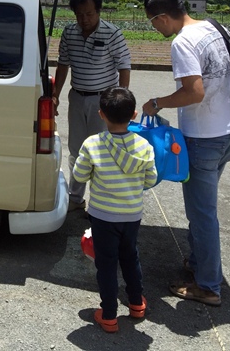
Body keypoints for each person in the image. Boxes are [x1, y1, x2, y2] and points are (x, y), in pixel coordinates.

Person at [142, 0, 230, 306]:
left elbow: (194, 92)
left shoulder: (182, 41)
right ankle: (199, 265)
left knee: (202, 215)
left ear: (163, 17)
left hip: (204, 138)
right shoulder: (213, 27)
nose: (156, 29)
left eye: (153, 22)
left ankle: (209, 286)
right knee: (203, 209)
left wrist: (157, 102)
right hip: (229, 133)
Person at [73, 86, 156, 333]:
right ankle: (136, 303)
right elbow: (150, 180)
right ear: (133, 115)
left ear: (101, 114)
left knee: (106, 264)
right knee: (131, 257)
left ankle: (108, 315)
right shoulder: (144, 146)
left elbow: (79, 174)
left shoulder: (93, 144)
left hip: (102, 216)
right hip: (131, 215)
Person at [52, 0, 131, 212]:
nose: (84, 19)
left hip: (103, 102)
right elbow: (63, 65)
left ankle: (100, 203)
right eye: (79, 15)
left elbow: (124, 66)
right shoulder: (69, 33)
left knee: (103, 152)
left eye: (89, 14)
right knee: (77, 150)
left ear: (98, 11)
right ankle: (75, 199)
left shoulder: (112, 34)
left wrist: (120, 102)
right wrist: (56, 95)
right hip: (77, 98)